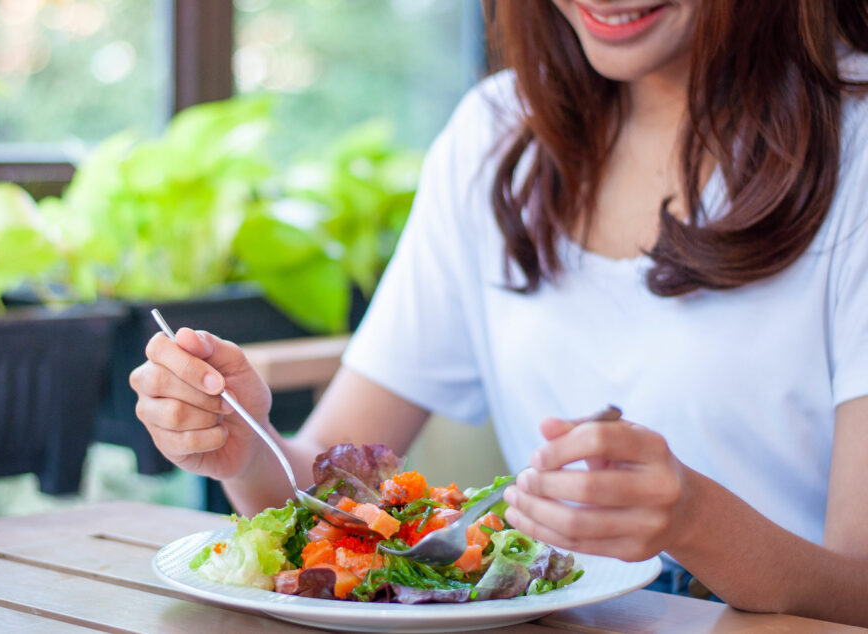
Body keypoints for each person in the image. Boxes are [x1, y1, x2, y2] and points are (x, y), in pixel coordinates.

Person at [130, 0, 868, 625]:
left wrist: (697, 524)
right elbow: (327, 496)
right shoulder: (497, 135)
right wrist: (245, 444)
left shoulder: (857, 145)